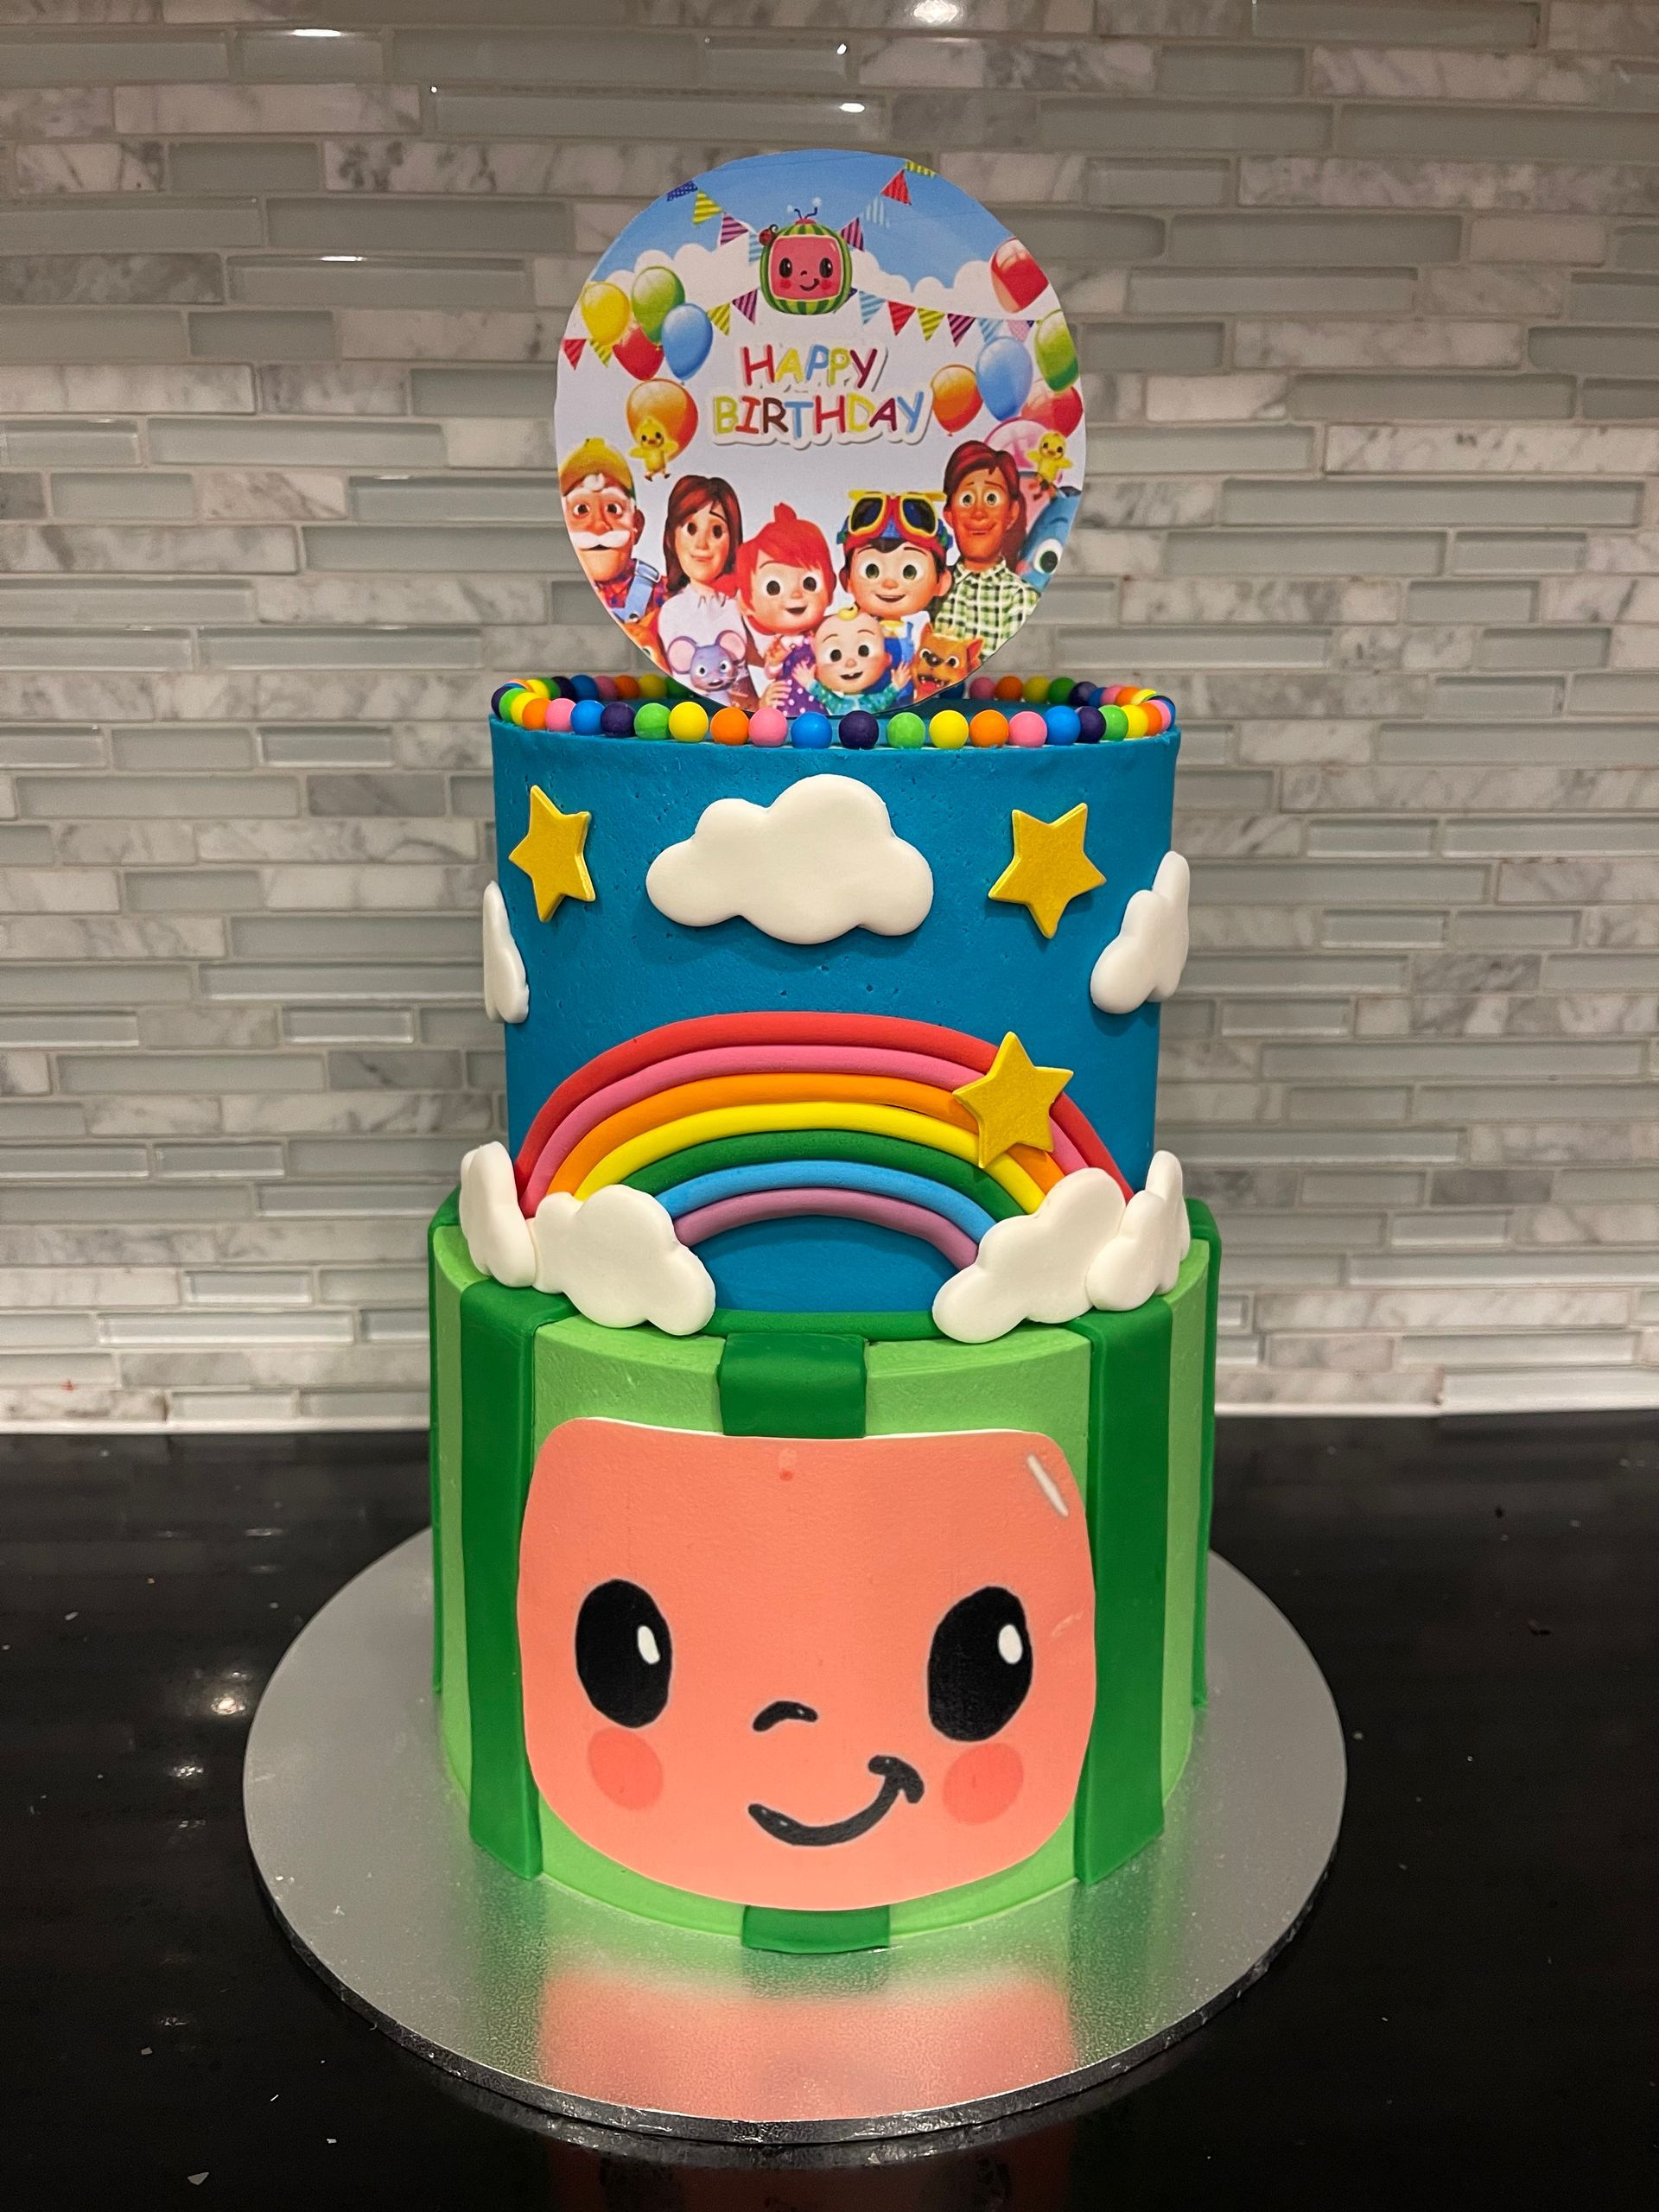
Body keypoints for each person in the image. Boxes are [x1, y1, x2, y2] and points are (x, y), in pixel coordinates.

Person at [836, 489, 950, 702]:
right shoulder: (849, 626)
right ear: (846, 580)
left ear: (941, 582)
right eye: (872, 570)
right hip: (861, 711)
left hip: (906, 711)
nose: (889, 583)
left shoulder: (923, 630)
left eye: (909, 571)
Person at [656, 475, 754, 704]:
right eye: (691, 528)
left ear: (732, 541)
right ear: (672, 537)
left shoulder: (741, 605)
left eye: (717, 531)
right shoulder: (672, 612)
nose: (702, 545)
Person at [559, 437, 662, 655]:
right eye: (581, 510)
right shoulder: (561, 591)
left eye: (613, 509)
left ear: (637, 525)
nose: (599, 527)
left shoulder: (662, 594)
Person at [935, 440, 1037, 658]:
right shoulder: (932, 589)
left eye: (991, 498)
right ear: (949, 514)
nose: (978, 512)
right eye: (967, 499)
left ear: (1011, 512)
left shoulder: (1019, 598)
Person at [734, 503, 835, 717]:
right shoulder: (777, 645)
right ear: (747, 603)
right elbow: (770, 672)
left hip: (814, 701)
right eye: (774, 587)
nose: (796, 595)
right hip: (784, 703)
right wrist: (774, 669)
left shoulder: (821, 638)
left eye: (809, 583)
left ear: (831, 585)